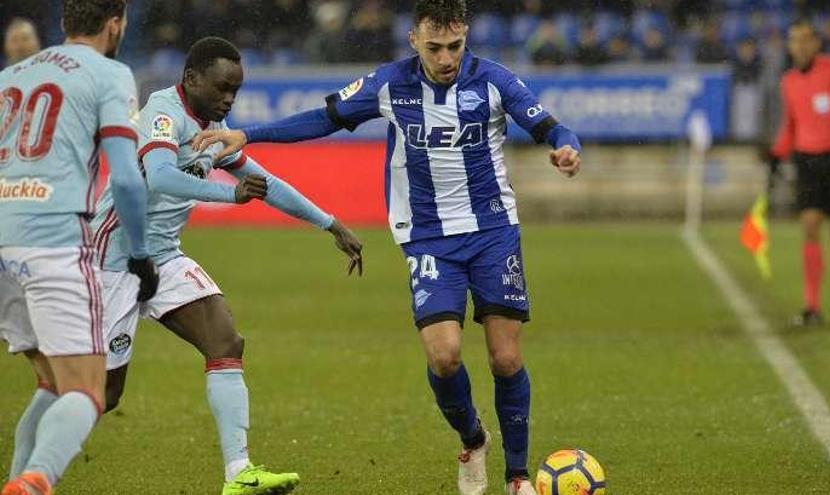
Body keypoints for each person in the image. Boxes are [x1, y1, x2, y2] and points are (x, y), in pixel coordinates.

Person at [193, 1, 582, 494]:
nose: (447, 58)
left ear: (466, 39)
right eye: (436, 47)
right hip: (427, 237)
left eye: (456, 47)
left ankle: (519, 477)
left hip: (492, 231)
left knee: (505, 359)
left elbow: (552, 126)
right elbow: (324, 119)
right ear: (414, 40)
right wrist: (251, 133)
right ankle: (473, 437)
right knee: (444, 356)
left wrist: (567, 148)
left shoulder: (494, 81)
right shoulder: (390, 85)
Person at [91, 36, 363, 495]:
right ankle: (35, 452)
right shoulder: (163, 113)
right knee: (104, 395)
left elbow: (264, 182)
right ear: (191, 79)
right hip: (113, 258)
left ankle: (240, 475)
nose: (229, 99)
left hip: (162, 257)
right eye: (222, 88)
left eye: (235, 90)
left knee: (225, 339)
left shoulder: (213, 125)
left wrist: (330, 223)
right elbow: (158, 175)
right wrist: (227, 193)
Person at [0, 1, 157, 493]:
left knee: (50, 384)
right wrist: (139, 253)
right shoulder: (109, 73)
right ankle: (32, 484)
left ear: (65, 24)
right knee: (88, 390)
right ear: (115, 25)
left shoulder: (12, 76)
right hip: (53, 242)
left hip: (3, 238)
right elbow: (128, 181)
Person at [765, 19, 830, 326]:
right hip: (807, 159)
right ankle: (813, 306)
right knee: (809, 227)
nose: (800, 46)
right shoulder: (788, 81)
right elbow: (790, 125)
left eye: (805, 40)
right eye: (794, 40)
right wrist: (776, 156)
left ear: (816, 43)